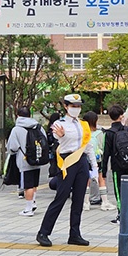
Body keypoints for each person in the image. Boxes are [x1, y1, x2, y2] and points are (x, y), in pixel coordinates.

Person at [36, 94, 98, 247]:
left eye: (78, 106)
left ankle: (75, 234)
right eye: (73, 106)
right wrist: (61, 136)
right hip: (67, 161)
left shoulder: (83, 124)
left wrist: (95, 167)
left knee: (79, 199)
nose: (76, 109)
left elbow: (88, 146)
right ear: (65, 106)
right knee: (61, 197)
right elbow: (57, 138)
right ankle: (43, 232)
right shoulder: (59, 123)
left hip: (81, 161)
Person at [102, 105, 128, 224]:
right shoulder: (126, 130)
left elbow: (106, 154)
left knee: (118, 190)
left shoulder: (108, 133)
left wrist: (103, 171)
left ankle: (121, 215)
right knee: (127, 189)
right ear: (121, 116)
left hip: (116, 166)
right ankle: (127, 213)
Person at [6, 106, 47, 217]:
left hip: (25, 161)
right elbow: (45, 141)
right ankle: (33, 202)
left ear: (18, 115)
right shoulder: (38, 127)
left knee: (27, 185)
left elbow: (12, 147)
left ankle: (28, 209)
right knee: (34, 184)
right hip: (37, 159)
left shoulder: (17, 129)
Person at [82, 111, 116, 211]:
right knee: (101, 180)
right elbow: (102, 147)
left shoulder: (83, 133)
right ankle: (105, 202)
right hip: (98, 159)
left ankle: (86, 203)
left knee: (86, 181)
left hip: (85, 158)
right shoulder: (100, 133)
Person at [46, 112, 61, 179]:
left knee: (53, 162)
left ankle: (53, 173)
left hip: (51, 148)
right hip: (58, 147)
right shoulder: (58, 126)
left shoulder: (49, 127)